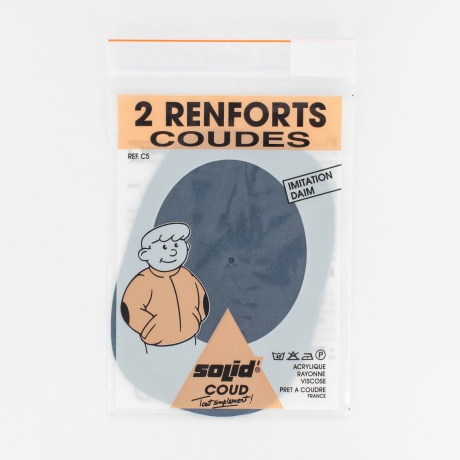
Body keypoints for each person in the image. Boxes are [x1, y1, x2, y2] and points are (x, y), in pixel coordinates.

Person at [121, 222, 209, 347]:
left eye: (176, 245)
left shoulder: (187, 276)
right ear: (144, 254)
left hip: (191, 338)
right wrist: (150, 327)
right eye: (164, 247)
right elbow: (130, 309)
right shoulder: (143, 281)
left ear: (187, 247)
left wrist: (196, 319)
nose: (173, 251)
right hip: (155, 345)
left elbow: (202, 299)